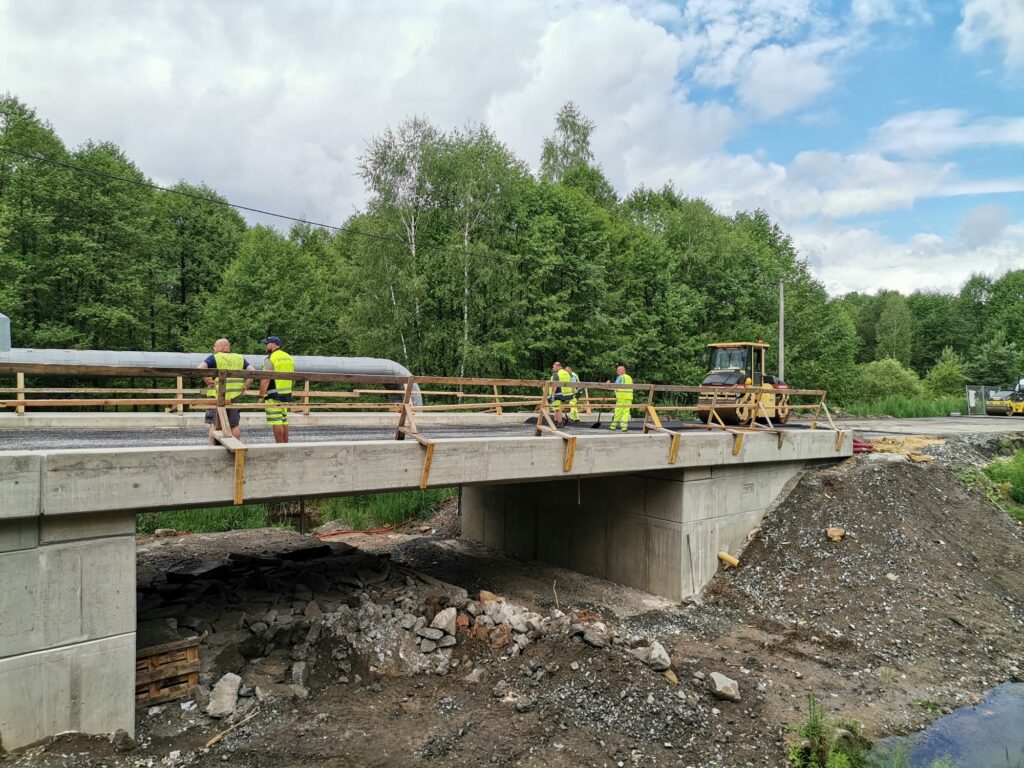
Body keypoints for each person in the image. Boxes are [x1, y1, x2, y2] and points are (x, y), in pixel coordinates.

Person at [198, 338, 255, 445]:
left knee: (214, 424)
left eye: (214, 347)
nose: (214, 349)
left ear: (221, 347)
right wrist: (245, 386)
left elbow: (200, 368)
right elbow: (253, 372)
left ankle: (213, 449)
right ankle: (236, 447)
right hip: (234, 396)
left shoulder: (215, 357)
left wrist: (208, 380)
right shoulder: (239, 358)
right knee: (234, 425)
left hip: (216, 396)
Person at [257, 336, 295, 444]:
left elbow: (266, 379)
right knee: (283, 420)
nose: (265, 346)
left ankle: (279, 446)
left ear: (273, 345)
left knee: (276, 421)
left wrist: (260, 396)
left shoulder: (270, 358)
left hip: (273, 394)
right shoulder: (289, 357)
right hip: (286, 394)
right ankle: (285, 445)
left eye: (267, 344)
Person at [610, 364, 633, 431]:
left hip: (621, 397)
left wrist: (608, 384)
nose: (617, 372)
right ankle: (624, 427)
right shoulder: (629, 377)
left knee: (618, 411)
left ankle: (613, 426)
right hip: (629, 397)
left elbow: (615, 386)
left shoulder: (620, 377)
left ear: (622, 370)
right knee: (626, 412)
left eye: (618, 370)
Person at [550, 361, 573, 426]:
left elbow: (555, 385)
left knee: (557, 409)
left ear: (558, 366)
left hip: (558, 394)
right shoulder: (566, 373)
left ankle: (559, 423)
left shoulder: (556, 374)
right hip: (566, 393)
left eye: (553, 367)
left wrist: (552, 394)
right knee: (560, 408)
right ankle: (558, 421)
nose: (553, 368)